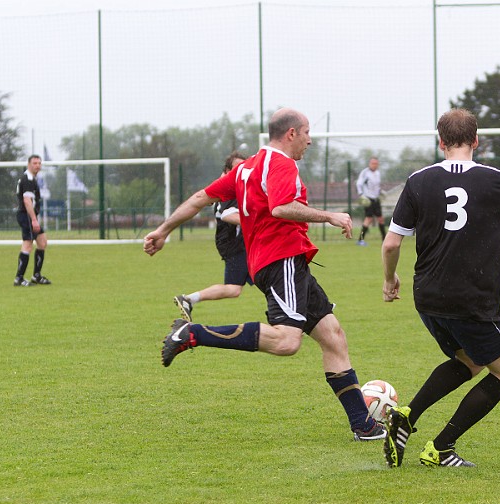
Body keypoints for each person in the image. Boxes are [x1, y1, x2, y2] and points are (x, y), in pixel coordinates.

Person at [144, 108, 386, 441]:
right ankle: (193, 333)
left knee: (333, 336)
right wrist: (329, 215)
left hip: (283, 261)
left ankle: (363, 425)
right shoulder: (281, 164)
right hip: (281, 259)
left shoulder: (246, 168)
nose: (310, 140)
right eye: (306, 133)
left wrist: (163, 230)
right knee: (287, 342)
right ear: (291, 134)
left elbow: (200, 198)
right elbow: (281, 207)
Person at [381, 108, 500, 468]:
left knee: (469, 360)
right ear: (476, 140)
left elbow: (391, 244)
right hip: (472, 299)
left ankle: (405, 416)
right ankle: (440, 447)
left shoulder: (418, 180)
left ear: (440, 142)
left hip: (427, 297)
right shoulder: (496, 179)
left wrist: (390, 278)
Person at [173, 151, 252, 322]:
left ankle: (287, 316)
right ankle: (188, 299)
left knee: (266, 279)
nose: (242, 171)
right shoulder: (230, 189)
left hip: (240, 242)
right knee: (233, 289)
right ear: (228, 171)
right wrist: (256, 223)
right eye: (237, 168)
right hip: (234, 243)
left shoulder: (230, 185)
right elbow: (226, 214)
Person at [13, 155, 51, 287]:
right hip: (26, 216)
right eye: (35, 163)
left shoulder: (31, 178)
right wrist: (34, 220)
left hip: (30, 216)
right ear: (29, 164)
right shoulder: (28, 179)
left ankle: (36, 276)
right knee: (28, 244)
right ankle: (19, 278)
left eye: (39, 163)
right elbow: (27, 201)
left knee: (42, 242)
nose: (38, 165)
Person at [355, 157, 386, 245]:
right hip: (368, 199)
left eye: (376, 164)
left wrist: (381, 192)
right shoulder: (365, 173)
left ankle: (384, 239)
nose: (375, 165)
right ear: (369, 164)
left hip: (376, 199)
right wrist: (361, 195)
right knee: (368, 219)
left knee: (380, 219)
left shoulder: (378, 173)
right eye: (373, 163)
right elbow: (359, 184)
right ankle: (360, 240)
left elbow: (377, 186)